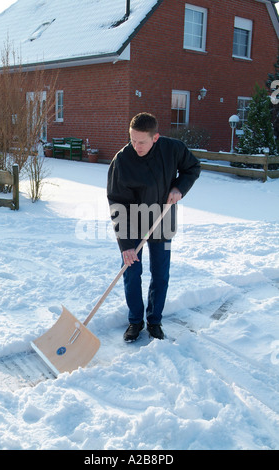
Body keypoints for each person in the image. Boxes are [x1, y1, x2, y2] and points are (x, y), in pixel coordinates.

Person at [107, 112, 200, 342]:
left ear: (155, 138)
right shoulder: (122, 161)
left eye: (142, 141)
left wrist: (179, 187)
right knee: (131, 273)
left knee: (160, 274)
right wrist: (126, 246)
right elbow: (118, 203)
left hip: (163, 221)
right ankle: (135, 321)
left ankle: (155, 321)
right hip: (133, 224)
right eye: (132, 140)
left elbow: (193, 168)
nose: (136, 146)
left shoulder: (172, 149)